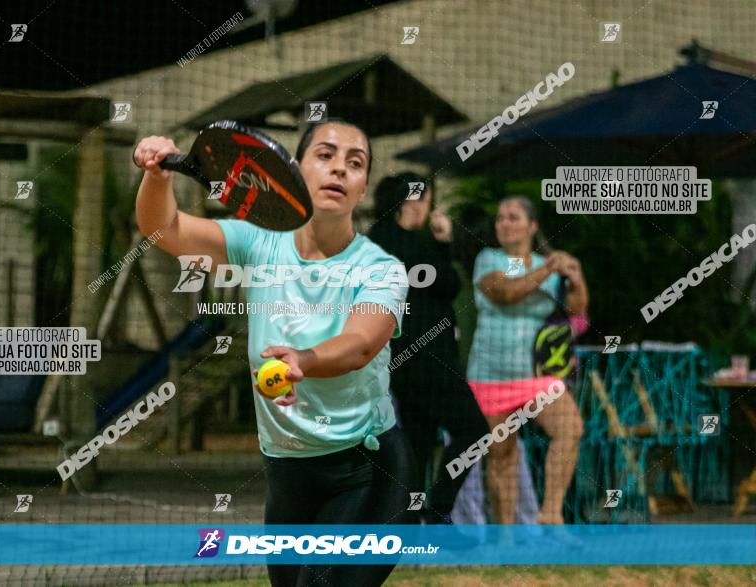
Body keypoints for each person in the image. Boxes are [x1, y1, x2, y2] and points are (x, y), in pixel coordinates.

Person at [134, 119, 417, 586]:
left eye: (355, 163)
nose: (340, 170)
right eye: (325, 156)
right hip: (287, 473)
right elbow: (163, 229)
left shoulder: (381, 269)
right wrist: (156, 175)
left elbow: (360, 344)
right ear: (293, 172)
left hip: (368, 472)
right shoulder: (259, 243)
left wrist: (303, 360)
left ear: (363, 188)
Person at [367, 172, 490, 524]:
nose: (428, 208)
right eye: (425, 200)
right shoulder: (406, 242)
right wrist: (444, 241)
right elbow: (449, 282)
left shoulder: (379, 239)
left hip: (405, 361)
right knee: (474, 430)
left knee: (419, 440)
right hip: (428, 360)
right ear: (409, 201)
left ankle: (407, 524)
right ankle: (439, 507)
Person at [467, 196, 587, 525]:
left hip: (536, 373)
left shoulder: (546, 264)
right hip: (491, 373)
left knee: (571, 429)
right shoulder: (488, 259)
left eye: (513, 217)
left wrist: (575, 278)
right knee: (502, 455)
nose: (503, 223)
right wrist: (548, 267)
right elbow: (505, 294)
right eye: (500, 218)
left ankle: (550, 514)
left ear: (532, 226)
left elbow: (577, 312)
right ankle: (505, 539)